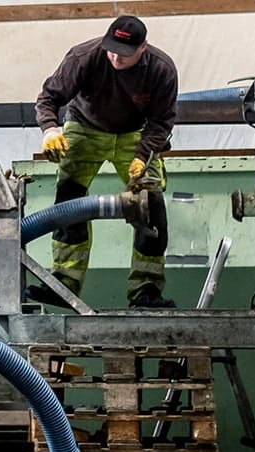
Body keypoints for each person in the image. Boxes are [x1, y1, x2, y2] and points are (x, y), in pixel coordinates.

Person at [29, 15, 178, 309]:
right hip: (85, 127)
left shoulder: (162, 69)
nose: (115, 57)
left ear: (142, 48)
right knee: (69, 199)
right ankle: (63, 282)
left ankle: (145, 290)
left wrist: (142, 155)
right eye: (111, 48)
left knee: (151, 204)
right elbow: (48, 98)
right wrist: (50, 130)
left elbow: (162, 122)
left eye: (123, 53)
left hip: (136, 134)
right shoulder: (84, 57)